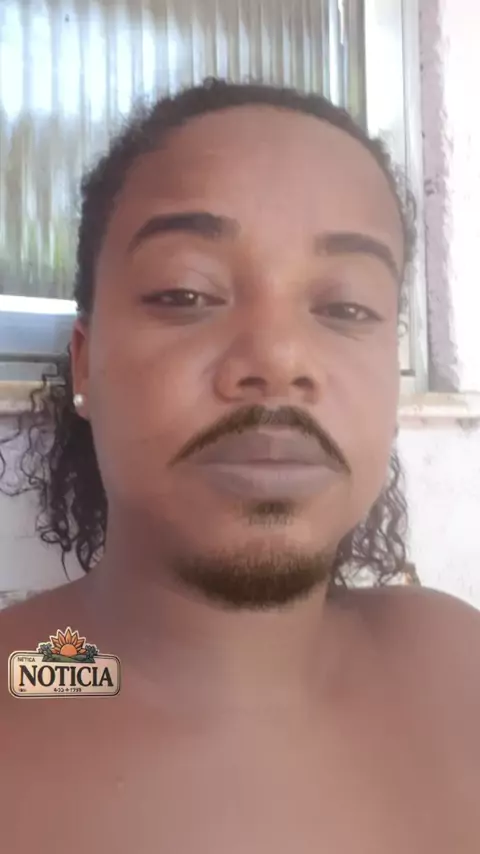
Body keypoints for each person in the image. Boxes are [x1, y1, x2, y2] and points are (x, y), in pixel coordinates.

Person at [0, 78, 479, 853]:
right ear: (84, 363)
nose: (281, 358)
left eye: (346, 308)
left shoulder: (458, 668)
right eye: (186, 293)